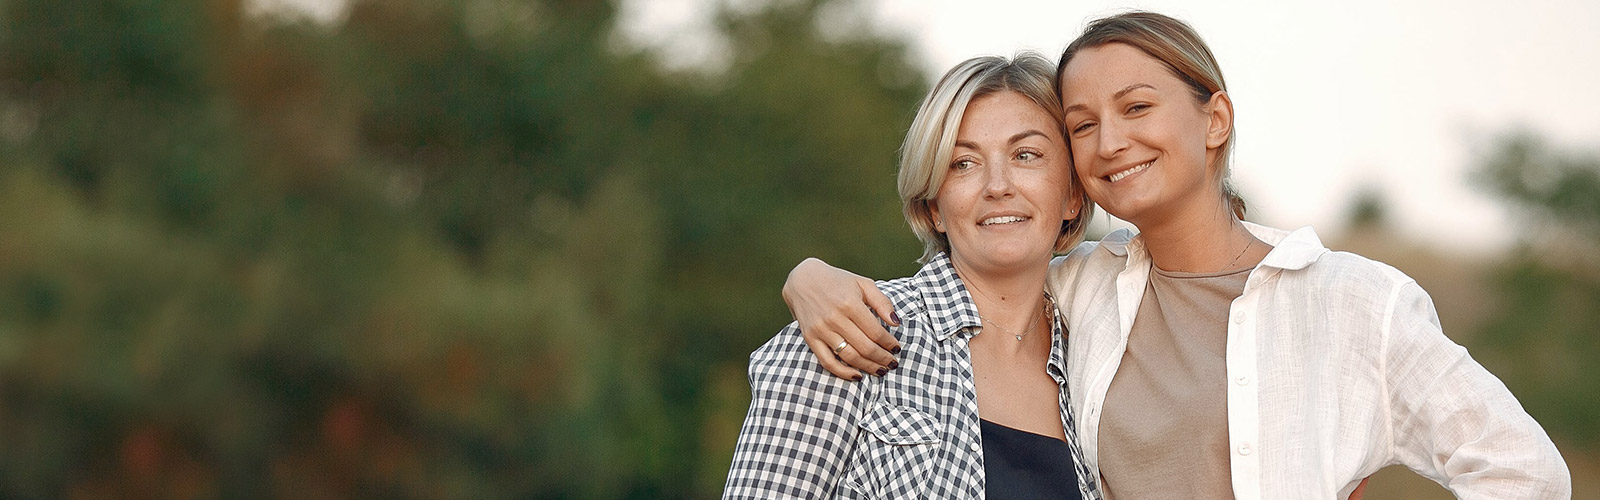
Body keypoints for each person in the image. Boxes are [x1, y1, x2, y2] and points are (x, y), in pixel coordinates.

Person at [778, 11, 1571, 500]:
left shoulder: (1357, 303)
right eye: (1082, 124)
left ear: (1214, 118)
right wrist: (809, 278)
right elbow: (977, 276)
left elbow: (1523, 473)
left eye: (1137, 107)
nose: (1111, 140)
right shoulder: (1082, 288)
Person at [723, 53, 1101, 499]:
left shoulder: (1097, 360)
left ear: (1073, 196)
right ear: (934, 206)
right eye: (963, 163)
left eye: (1027, 155)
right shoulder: (850, 333)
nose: (998, 185)